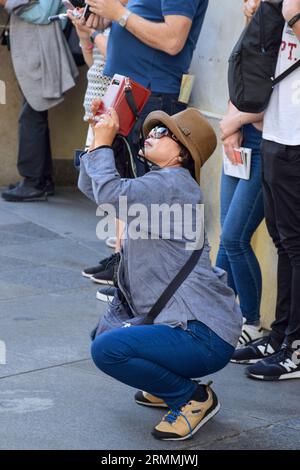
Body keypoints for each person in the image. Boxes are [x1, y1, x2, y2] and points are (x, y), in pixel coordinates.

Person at [78, 105, 243, 441]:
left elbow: (109, 193)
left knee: (107, 350)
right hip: (185, 325)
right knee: (104, 336)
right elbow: (95, 191)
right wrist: (98, 141)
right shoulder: (161, 183)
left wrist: (104, 142)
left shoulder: (175, 184)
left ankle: (191, 398)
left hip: (201, 332)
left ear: (182, 153)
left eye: (161, 133)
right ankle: (166, 382)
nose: (150, 135)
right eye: (151, 131)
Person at [81, 0, 210, 285]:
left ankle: (136, 280)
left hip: (151, 93)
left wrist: (119, 14)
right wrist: (99, 19)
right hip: (129, 90)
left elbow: (174, 40)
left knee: (139, 195)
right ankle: (124, 266)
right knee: (115, 183)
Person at [240, 0, 300, 380]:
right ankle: (280, 334)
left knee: (296, 245)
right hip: (276, 130)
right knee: (282, 240)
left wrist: (292, 11)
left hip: (297, 137)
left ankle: (295, 345)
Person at [216, 0, 265, 352]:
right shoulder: (253, 29)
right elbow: (240, 86)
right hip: (238, 139)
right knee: (225, 239)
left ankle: (252, 323)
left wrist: (236, 121)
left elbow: (275, 100)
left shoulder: (281, 33)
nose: (249, 3)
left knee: (235, 238)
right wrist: (230, 125)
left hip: (265, 144)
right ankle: (216, 314)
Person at [1, 0, 78, 202]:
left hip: (42, 50)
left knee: (32, 114)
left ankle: (33, 182)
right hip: (33, 50)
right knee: (34, 113)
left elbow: (44, 14)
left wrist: (8, 3)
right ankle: (41, 180)